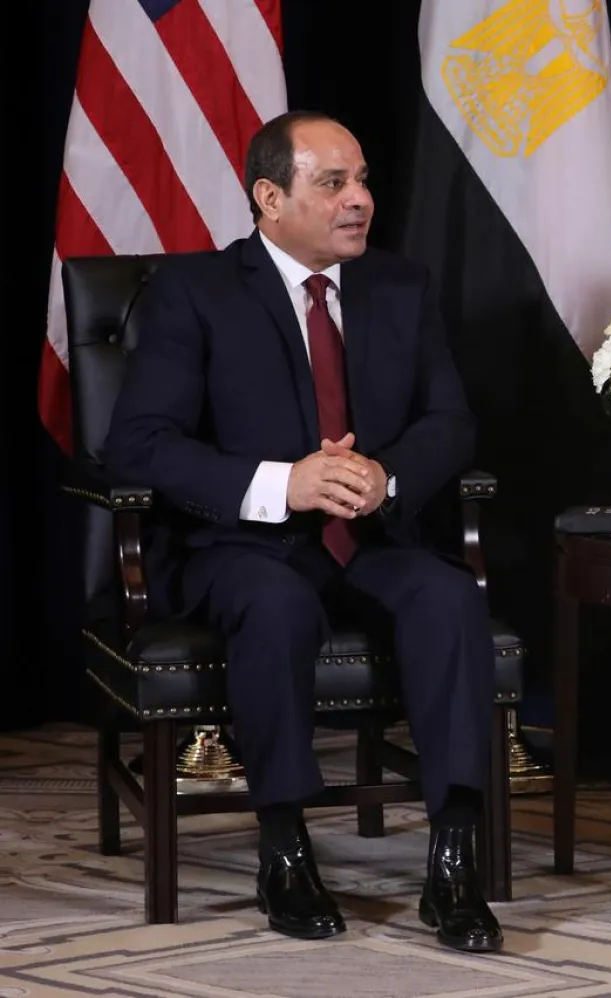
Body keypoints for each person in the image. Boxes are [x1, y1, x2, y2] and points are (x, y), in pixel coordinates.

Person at [105, 110, 503, 953]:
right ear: (269, 197)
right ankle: (284, 848)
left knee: (448, 597)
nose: (359, 200)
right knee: (276, 607)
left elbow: (451, 422)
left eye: (362, 181)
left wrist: (384, 475)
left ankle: (455, 856)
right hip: (243, 545)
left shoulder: (401, 286)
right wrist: (286, 483)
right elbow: (139, 443)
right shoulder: (194, 291)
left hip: (375, 535)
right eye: (333, 184)